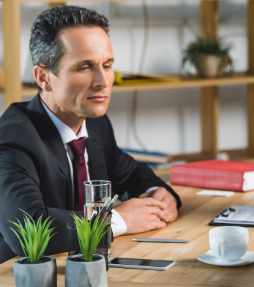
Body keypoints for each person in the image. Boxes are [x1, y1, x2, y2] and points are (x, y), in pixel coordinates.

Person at [0, 6, 181, 263]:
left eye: (107, 65)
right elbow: (27, 228)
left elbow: (130, 173)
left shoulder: (95, 125)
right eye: (84, 67)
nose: (103, 81)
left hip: (81, 271)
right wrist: (117, 220)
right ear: (43, 77)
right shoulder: (13, 137)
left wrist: (159, 194)